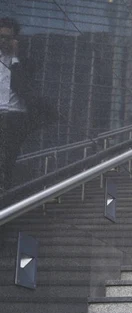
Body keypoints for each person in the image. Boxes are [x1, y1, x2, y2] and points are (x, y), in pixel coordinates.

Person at [0, 17, 56, 195]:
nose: (3, 41)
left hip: (14, 116)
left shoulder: (25, 63)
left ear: (15, 39)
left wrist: (14, 58)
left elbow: (21, 86)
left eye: (7, 37)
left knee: (7, 159)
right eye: (0, 36)